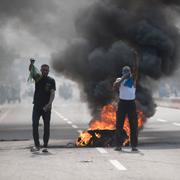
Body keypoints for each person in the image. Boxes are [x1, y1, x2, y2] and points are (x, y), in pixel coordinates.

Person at [29, 59, 56, 152]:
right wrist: (31, 64)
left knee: (46, 126)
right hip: (36, 106)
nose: (45, 71)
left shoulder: (51, 80)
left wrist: (49, 104)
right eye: (43, 70)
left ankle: (45, 145)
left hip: (46, 107)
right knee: (35, 124)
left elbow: (52, 93)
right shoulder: (38, 78)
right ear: (40, 71)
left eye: (46, 70)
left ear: (48, 71)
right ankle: (37, 145)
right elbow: (31, 71)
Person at [113, 66, 138, 152]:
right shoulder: (119, 79)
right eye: (125, 72)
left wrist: (136, 59)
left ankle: (134, 146)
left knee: (133, 125)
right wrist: (123, 78)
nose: (127, 73)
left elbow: (136, 69)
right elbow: (115, 86)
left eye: (128, 72)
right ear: (123, 73)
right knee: (119, 125)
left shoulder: (133, 79)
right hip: (122, 103)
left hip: (131, 104)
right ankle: (118, 145)